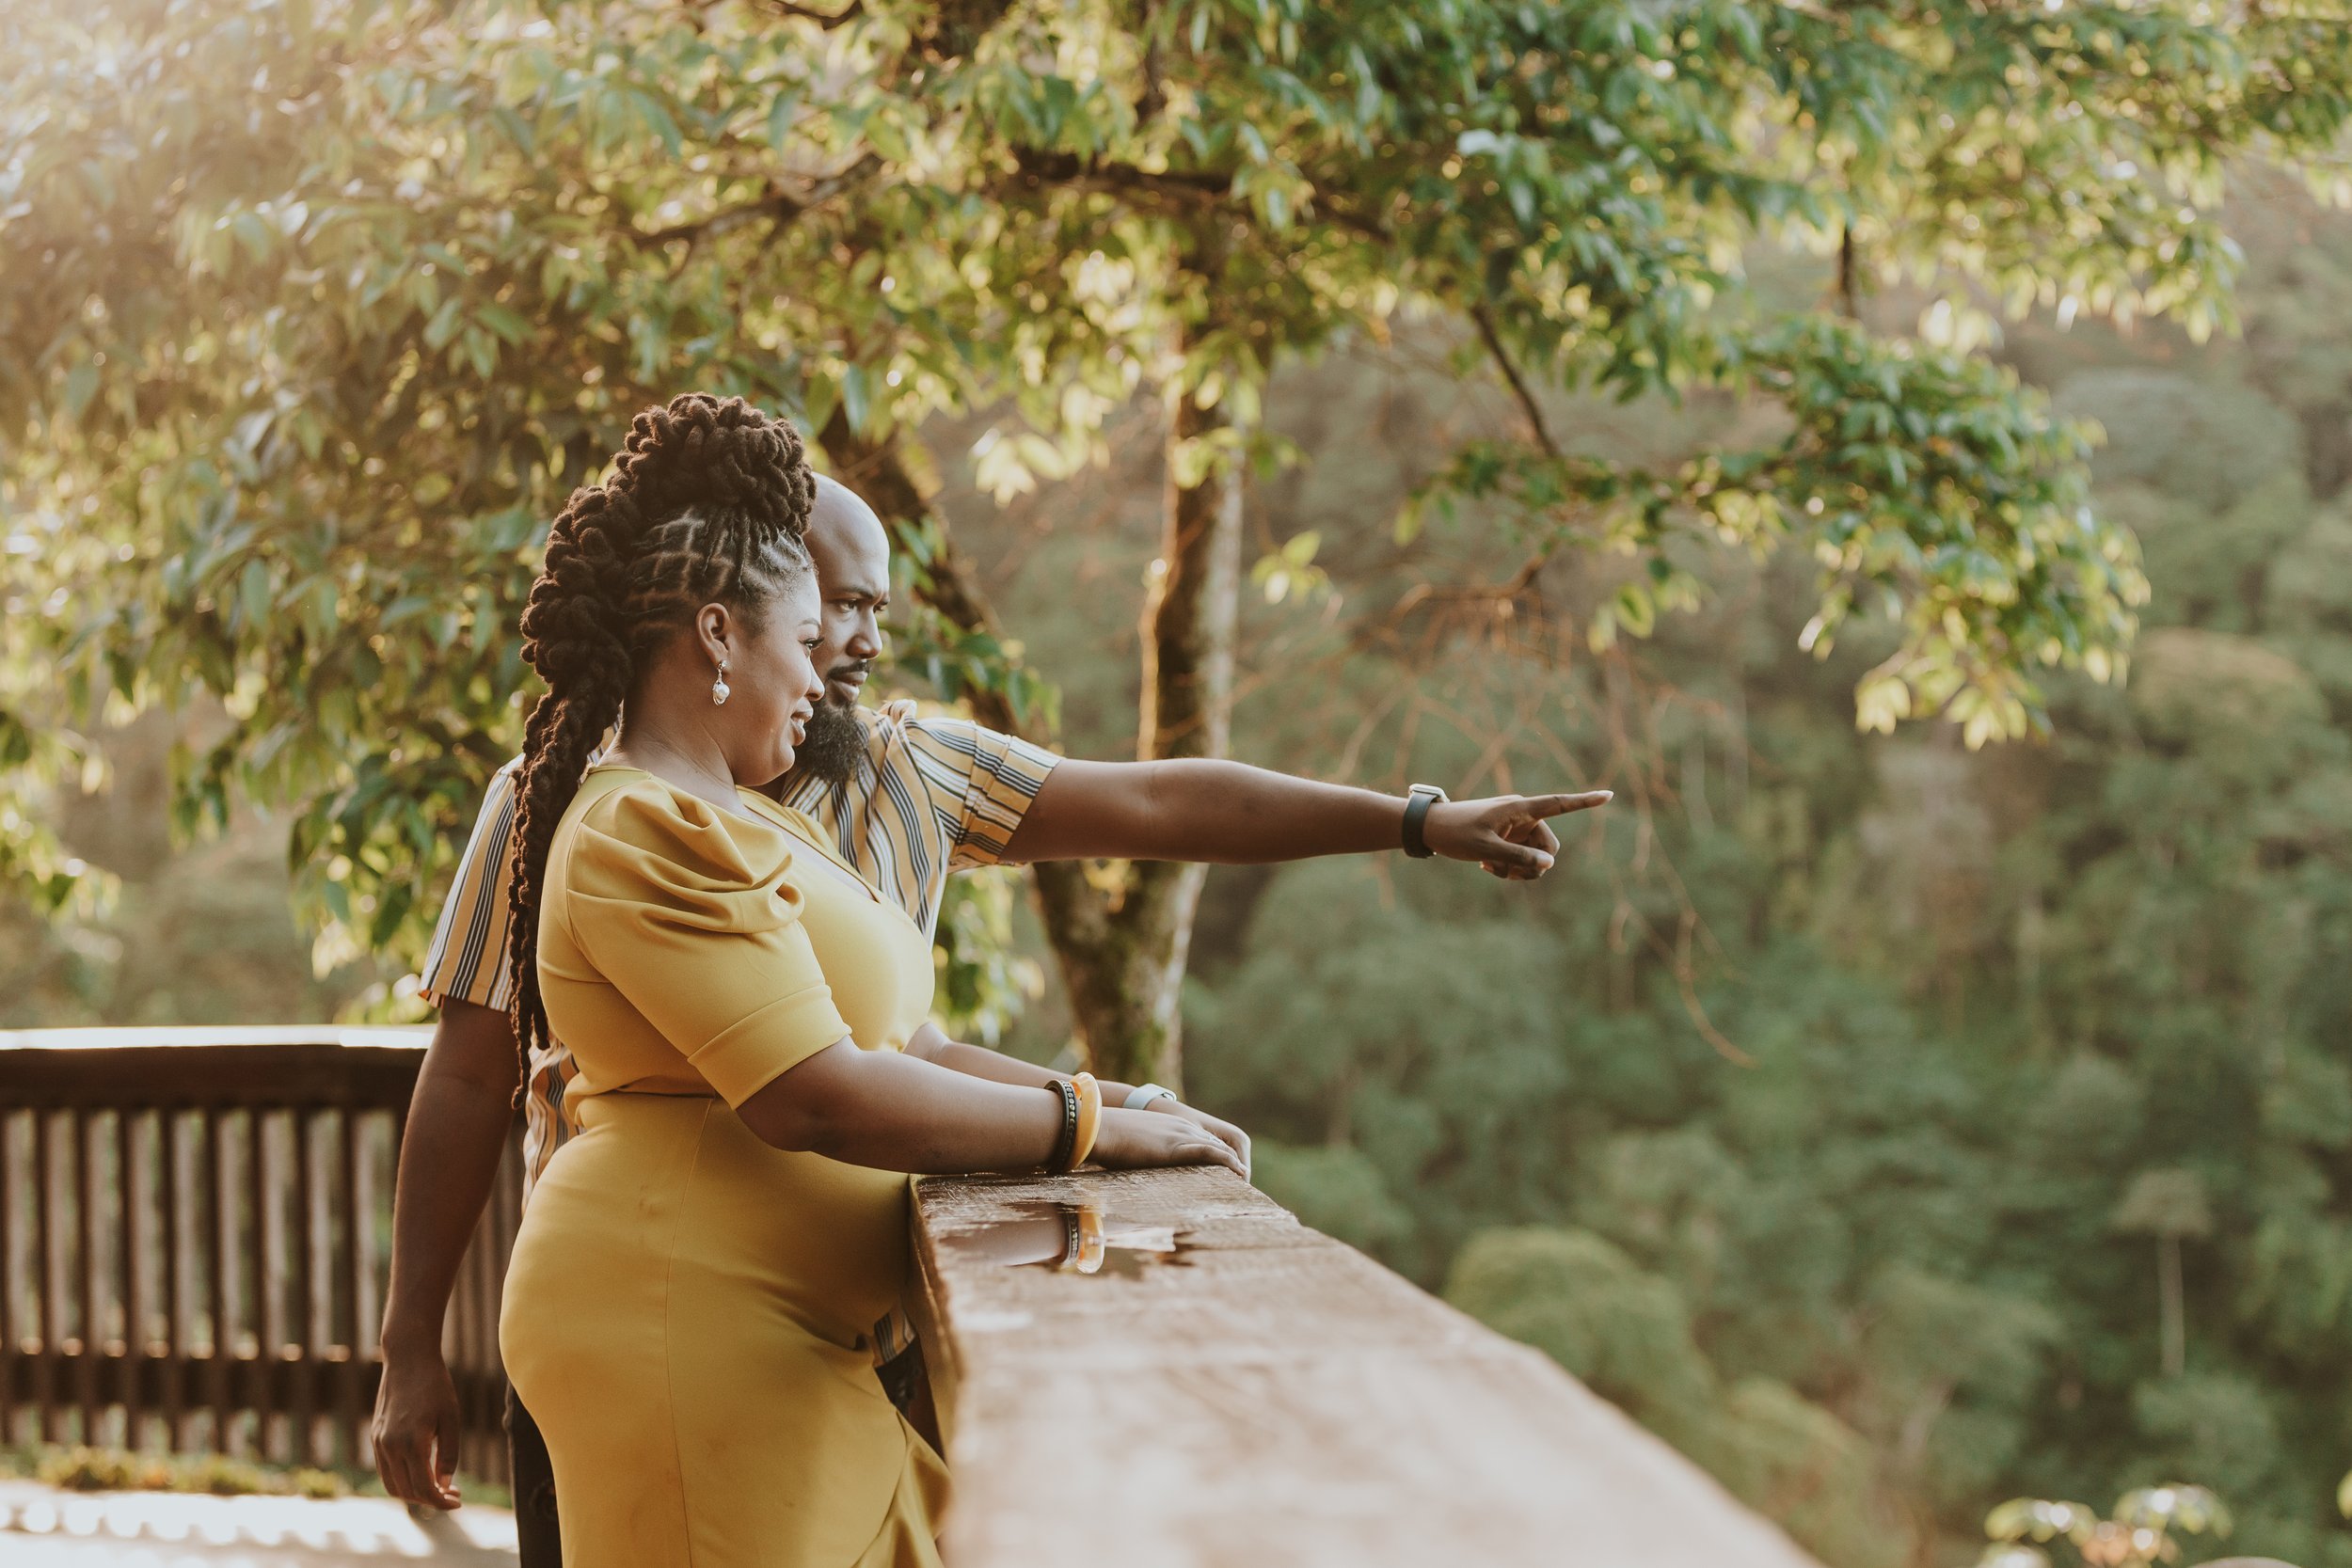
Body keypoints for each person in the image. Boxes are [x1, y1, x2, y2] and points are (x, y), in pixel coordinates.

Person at [371, 399, 1611, 1560]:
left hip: (851, 1327)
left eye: (866, 614)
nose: (843, 649)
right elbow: (732, 1087)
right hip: (676, 1321)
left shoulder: (874, 782)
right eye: (818, 615)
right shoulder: (588, 810)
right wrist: (409, 1344)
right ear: (722, 612)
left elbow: (1139, 815)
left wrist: (1412, 824)